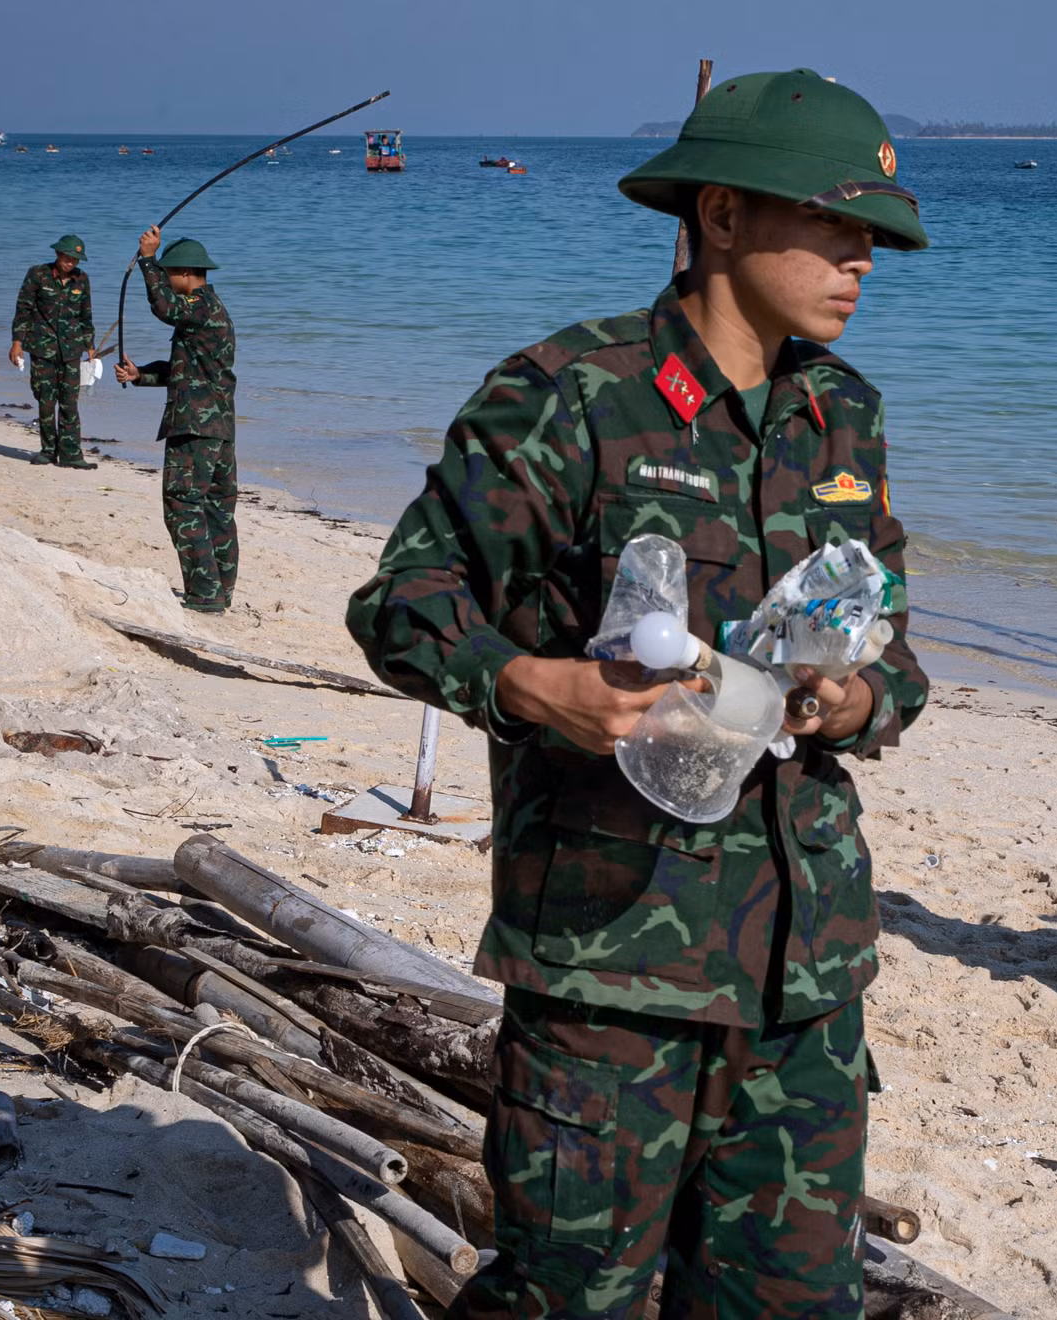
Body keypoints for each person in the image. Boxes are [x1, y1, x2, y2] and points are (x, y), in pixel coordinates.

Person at [346, 69, 930, 1319]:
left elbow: (898, 651)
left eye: (872, 234)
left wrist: (852, 702)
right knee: (572, 1300)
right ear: (720, 214)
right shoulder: (572, 397)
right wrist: (528, 682)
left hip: (806, 982)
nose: (861, 257)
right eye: (833, 223)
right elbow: (403, 600)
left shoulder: (845, 419)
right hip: (612, 980)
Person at [114, 227, 238, 613]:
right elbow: (186, 369)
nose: (166, 280)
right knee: (215, 508)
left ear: (185, 272)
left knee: (183, 505)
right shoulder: (207, 313)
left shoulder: (200, 305)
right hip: (218, 428)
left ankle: (205, 595)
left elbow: (164, 308)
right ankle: (219, 591)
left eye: (169, 273)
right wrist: (141, 375)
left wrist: (148, 260)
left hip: (196, 429)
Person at [9, 234, 96, 468]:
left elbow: (85, 315)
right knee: (46, 401)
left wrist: (90, 346)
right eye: (68, 258)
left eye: (75, 260)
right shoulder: (37, 274)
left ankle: (71, 454)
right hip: (42, 349)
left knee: (69, 403)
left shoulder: (82, 280)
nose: (71, 263)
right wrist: (17, 342)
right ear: (58, 254)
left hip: (71, 351)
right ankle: (48, 451)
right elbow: (23, 309)